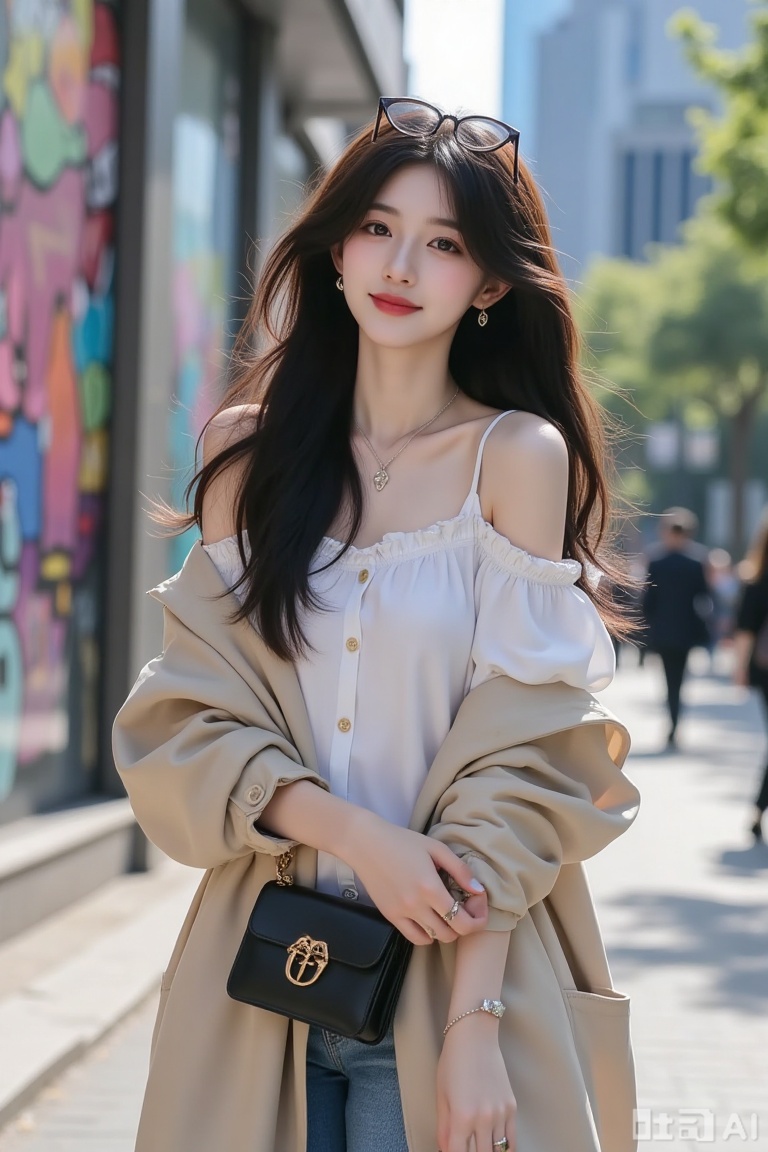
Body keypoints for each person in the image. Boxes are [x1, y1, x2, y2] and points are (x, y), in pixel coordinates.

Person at [112, 98, 641, 1152]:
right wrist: (359, 838)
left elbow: (525, 757)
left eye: (443, 243)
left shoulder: (516, 458)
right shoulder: (248, 453)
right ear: (338, 245)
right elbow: (190, 719)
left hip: (457, 970)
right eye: (378, 227)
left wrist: (475, 1025)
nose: (400, 264)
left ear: (492, 283)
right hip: (260, 963)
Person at [642, 507, 712, 748]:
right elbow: (704, 597)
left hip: (663, 631)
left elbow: (647, 601)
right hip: (686, 631)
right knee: (679, 679)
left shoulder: (657, 561)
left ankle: (673, 720)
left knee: (669, 679)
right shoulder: (696, 563)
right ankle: (675, 721)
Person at [733, 511, 768, 843]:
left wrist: (740, 669)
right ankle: (758, 809)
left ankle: (758, 809)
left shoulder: (756, 579)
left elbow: (745, 630)